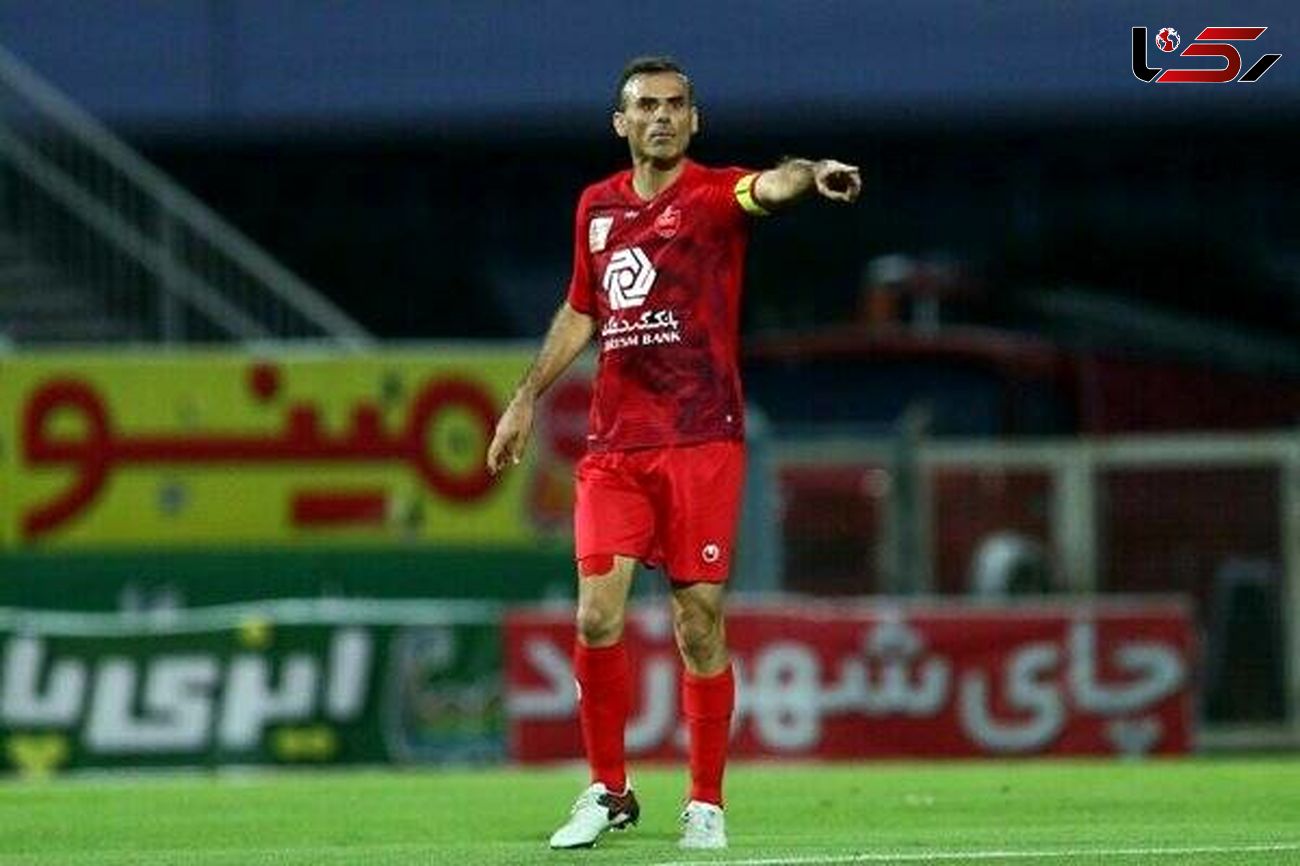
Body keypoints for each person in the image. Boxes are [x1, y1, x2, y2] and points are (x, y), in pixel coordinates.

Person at [486, 56, 860, 851]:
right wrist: (525, 397)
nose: (661, 116)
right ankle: (608, 790)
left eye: (675, 105)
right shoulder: (595, 207)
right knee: (595, 616)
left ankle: (705, 801)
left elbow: (772, 185)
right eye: (646, 105)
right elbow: (582, 310)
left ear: (695, 119)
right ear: (620, 122)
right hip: (616, 444)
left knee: (697, 623)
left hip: (701, 438)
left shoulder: (715, 195)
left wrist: (812, 171)